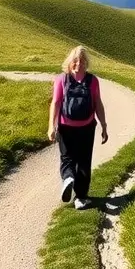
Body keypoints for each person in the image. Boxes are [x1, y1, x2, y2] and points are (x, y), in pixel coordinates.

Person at [48, 45, 108, 209]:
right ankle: (81, 198)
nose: (78, 64)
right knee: (84, 161)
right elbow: (98, 104)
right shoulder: (92, 80)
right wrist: (103, 125)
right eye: (76, 60)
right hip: (87, 127)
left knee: (67, 158)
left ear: (85, 63)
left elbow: (56, 103)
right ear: (71, 62)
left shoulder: (61, 79)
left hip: (66, 127)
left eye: (81, 61)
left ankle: (68, 178)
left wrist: (51, 126)